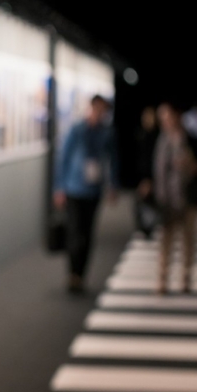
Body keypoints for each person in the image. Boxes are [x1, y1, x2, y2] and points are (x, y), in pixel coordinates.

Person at [54, 94, 119, 293]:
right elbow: (63, 158)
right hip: (74, 188)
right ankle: (72, 274)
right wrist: (59, 187)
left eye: (104, 111)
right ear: (91, 108)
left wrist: (113, 185)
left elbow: (113, 160)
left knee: (88, 234)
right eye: (98, 109)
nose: (101, 114)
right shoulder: (77, 130)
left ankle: (81, 274)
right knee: (75, 232)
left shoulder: (106, 133)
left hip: (93, 190)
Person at [153, 102, 197, 294]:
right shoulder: (162, 141)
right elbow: (157, 171)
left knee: (188, 239)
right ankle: (162, 279)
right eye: (163, 118)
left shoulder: (192, 140)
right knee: (166, 240)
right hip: (167, 199)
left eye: (168, 117)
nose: (165, 121)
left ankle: (186, 277)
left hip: (189, 198)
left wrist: (190, 164)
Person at [134, 106, 159, 239]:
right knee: (141, 204)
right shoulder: (142, 133)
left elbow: (151, 160)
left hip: (149, 176)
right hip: (142, 176)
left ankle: (148, 227)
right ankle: (144, 228)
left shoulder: (155, 136)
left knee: (148, 203)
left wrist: (148, 178)